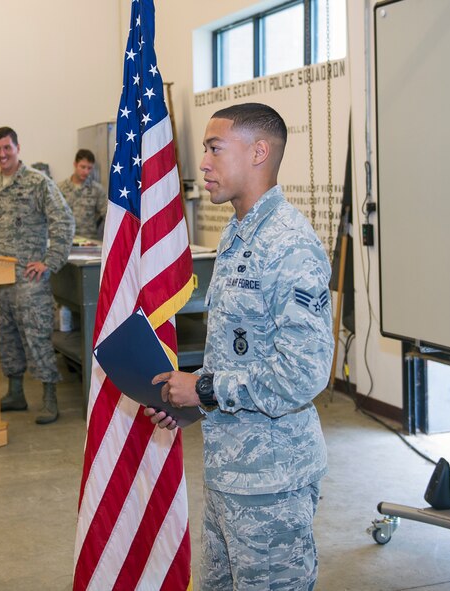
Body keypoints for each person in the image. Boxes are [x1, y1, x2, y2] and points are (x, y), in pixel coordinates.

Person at [145, 103, 334, 590]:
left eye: (214, 148)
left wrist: (203, 389)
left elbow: (302, 376)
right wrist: (190, 403)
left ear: (258, 152)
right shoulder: (238, 233)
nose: (203, 163)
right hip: (229, 471)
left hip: (272, 482)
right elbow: (241, 354)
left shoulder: (290, 245)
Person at [0, 127, 75, 425]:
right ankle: (16, 392)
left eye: (7, 148)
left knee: (36, 337)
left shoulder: (37, 183)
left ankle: (49, 398)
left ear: (18, 148)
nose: (2, 154)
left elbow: (64, 220)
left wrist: (50, 261)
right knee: (7, 339)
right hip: (0, 278)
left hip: (28, 281)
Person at [57, 149, 107, 239]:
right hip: (64, 239)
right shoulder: (60, 188)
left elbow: (107, 214)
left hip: (88, 240)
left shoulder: (96, 189)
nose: (86, 172)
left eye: (89, 168)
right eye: (83, 167)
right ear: (75, 165)